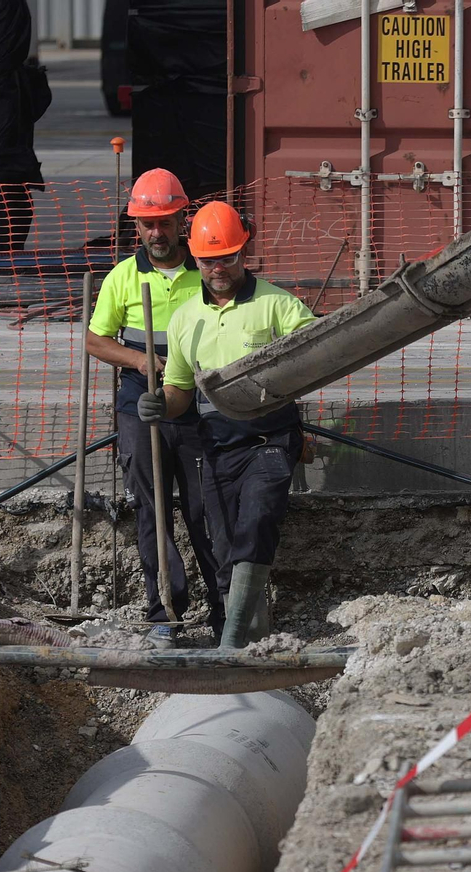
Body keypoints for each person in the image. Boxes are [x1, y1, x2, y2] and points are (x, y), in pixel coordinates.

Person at [139, 201, 316, 649]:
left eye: (228, 258)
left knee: (257, 522)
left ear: (244, 253)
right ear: (194, 257)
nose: (218, 268)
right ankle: (238, 640)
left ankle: (239, 639)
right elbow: (180, 394)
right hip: (216, 446)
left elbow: (317, 354)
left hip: (269, 439)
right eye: (208, 260)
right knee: (221, 550)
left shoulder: (277, 305)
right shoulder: (185, 320)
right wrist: (161, 404)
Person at [86, 167, 221, 646]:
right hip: (139, 406)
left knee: (208, 509)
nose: (157, 232)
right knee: (153, 509)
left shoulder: (205, 269)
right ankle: (164, 608)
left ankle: (225, 611)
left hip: (199, 407)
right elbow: (96, 340)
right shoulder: (124, 276)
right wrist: (142, 361)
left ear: (182, 218)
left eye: (165, 221)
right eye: (148, 224)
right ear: (136, 227)